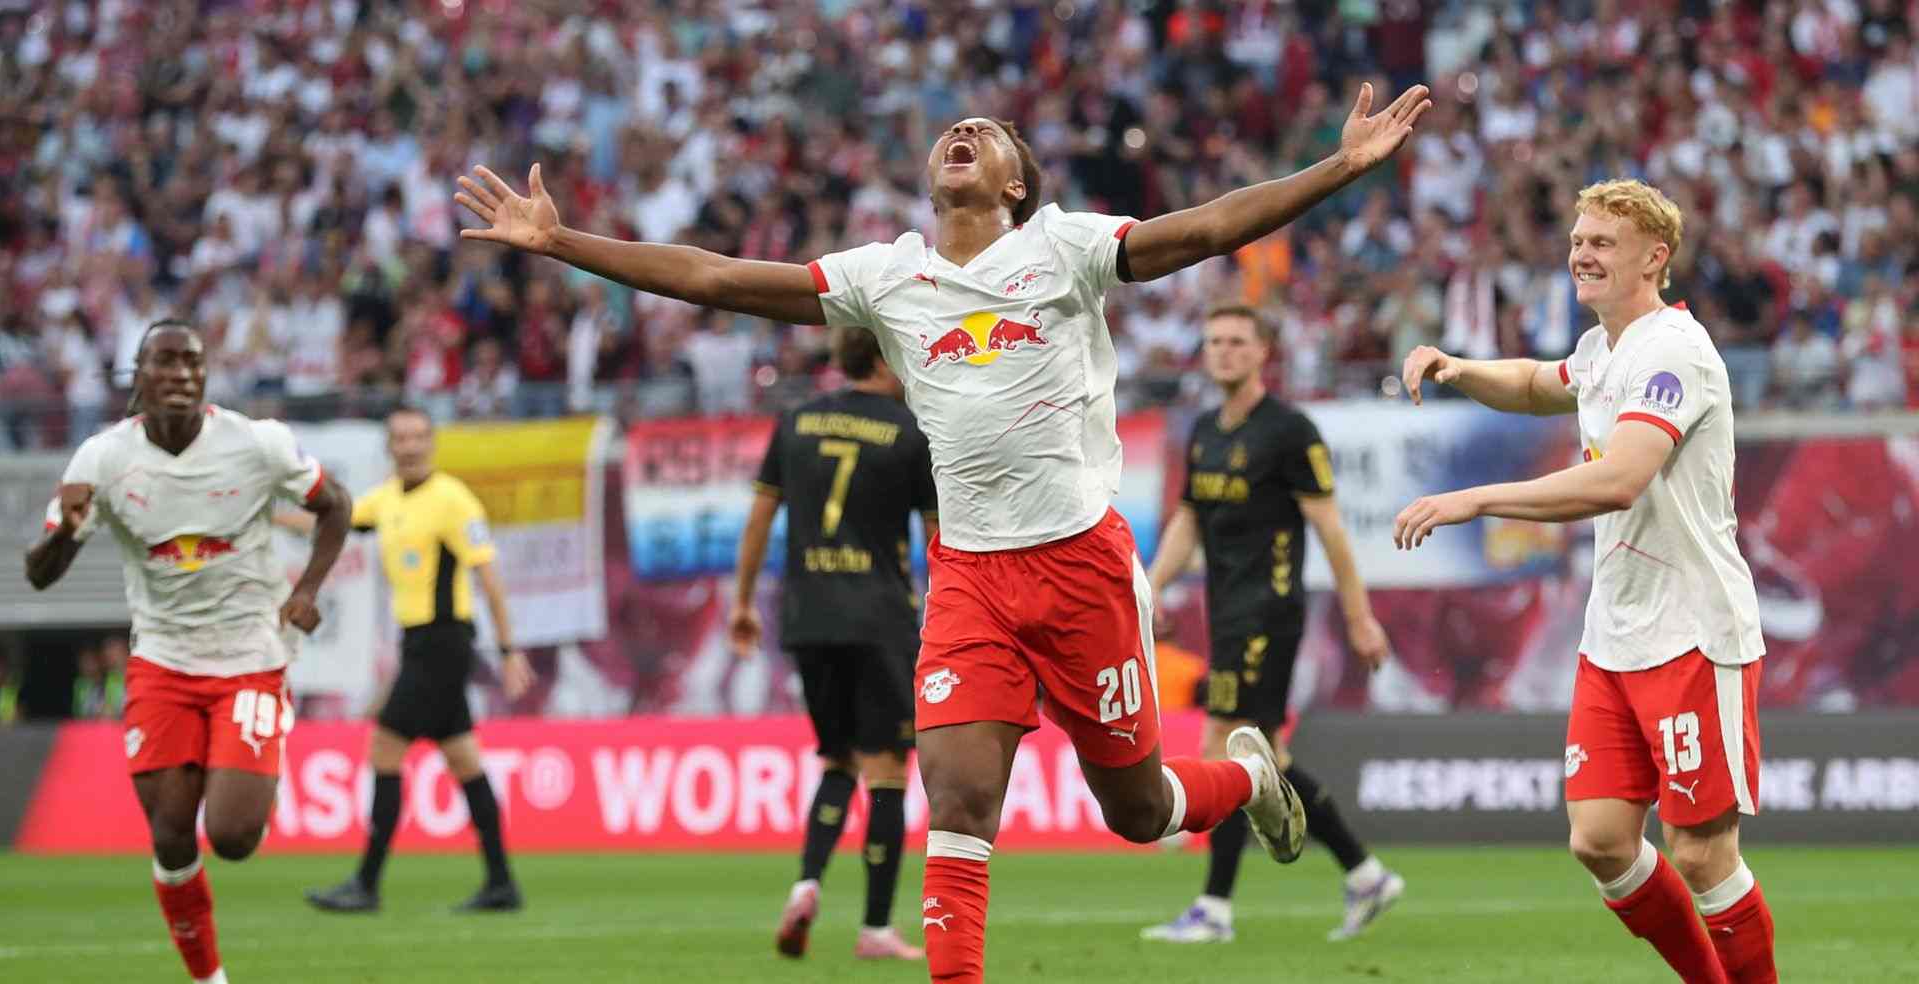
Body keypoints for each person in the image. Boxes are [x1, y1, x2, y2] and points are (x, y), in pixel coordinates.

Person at [456, 82, 1431, 983]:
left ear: (1014, 180)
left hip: (1081, 566)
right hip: (969, 579)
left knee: (1138, 814)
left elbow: (1208, 229)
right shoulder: (885, 277)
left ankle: (1250, 776)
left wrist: (1339, 168)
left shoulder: (1065, 248)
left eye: (988, 133)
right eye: (950, 131)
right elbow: (714, 276)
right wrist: (563, 241)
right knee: (959, 805)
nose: (962, 133)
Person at [1395, 179, 1774, 984]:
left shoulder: (1675, 350)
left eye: (1603, 241)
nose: (1581, 252)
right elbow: (1541, 383)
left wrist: (1476, 498)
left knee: (1702, 852)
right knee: (1600, 840)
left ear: (1655, 257)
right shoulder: (1605, 350)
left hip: (1692, 632)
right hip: (1616, 638)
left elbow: (1618, 480)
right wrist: (1459, 367)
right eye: (1577, 238)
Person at [24, 319, 353, 984]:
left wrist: (308, 588)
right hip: (163, 662)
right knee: (172, 835)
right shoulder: (102, 460)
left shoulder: (257, 445)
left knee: (232, 837)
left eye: (191, 363)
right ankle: (209, 979)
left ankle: (257, 769)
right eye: (164, 363)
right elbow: (39, 573)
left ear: (205, 376)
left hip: (250, 658)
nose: (178, 373)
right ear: (137, 378)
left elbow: (336, 505)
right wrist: (68, 531)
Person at [1140, 305, 1402, 945]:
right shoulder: (1203, 430)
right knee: (1267, 759)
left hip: (1268, 612)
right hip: (1226, 611)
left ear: (1263, 352)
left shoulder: (1289, 430)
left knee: (1228, 751)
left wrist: (1360, 617)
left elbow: (1332, 530)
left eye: (1236, 341)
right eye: (1213, 341)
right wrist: (1149, 587)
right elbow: (1189, 521)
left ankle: (1215, 909)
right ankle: (1365, 874)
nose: (1223, 352)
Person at [728, 326, 937, 962]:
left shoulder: (795, 422)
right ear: (881, 359)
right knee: (887, 770)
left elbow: (761, 516)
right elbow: (939, 536)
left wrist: (741, 603)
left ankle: (807, 883)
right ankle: (875, 927)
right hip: (879, 618)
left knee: (836, 760)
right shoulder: (908, 430)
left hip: (808, 616)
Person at [303, 405, 534, 914]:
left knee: (385, 750)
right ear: (389, 446)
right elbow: (333, 521)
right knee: (464, 759)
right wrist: (262, 513)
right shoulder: (385, 499)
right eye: (400, 438)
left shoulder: (454, 500)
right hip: (420, 643)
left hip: (444, 643)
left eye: (418, 437)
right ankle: (501, 883)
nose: (409, 446)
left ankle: (366, 884)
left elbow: (489, 578)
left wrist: (509, 648)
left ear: (431, 442)